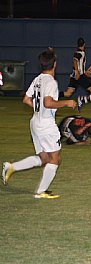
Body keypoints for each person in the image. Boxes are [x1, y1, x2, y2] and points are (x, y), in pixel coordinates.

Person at [2, 48, 77, 199]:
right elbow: (48, 103)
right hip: (46, 125)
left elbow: (26, 99)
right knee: (55, 159)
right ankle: (41, 192)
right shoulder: (51, 82)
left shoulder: (37, 79)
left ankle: (11, 167)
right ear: (55, 64)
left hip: (35, 122)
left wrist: (39, 108)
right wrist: (67, 103)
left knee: (44, 158)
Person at [61, 37, 91, 115]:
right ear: (84, 44)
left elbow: (77, 63)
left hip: (75, 76)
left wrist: (85, 72)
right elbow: (75, 60)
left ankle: (54, 95)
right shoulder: (80, 53)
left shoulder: (77, 52)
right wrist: (78, 72)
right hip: (79, 76)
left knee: (68, 93)